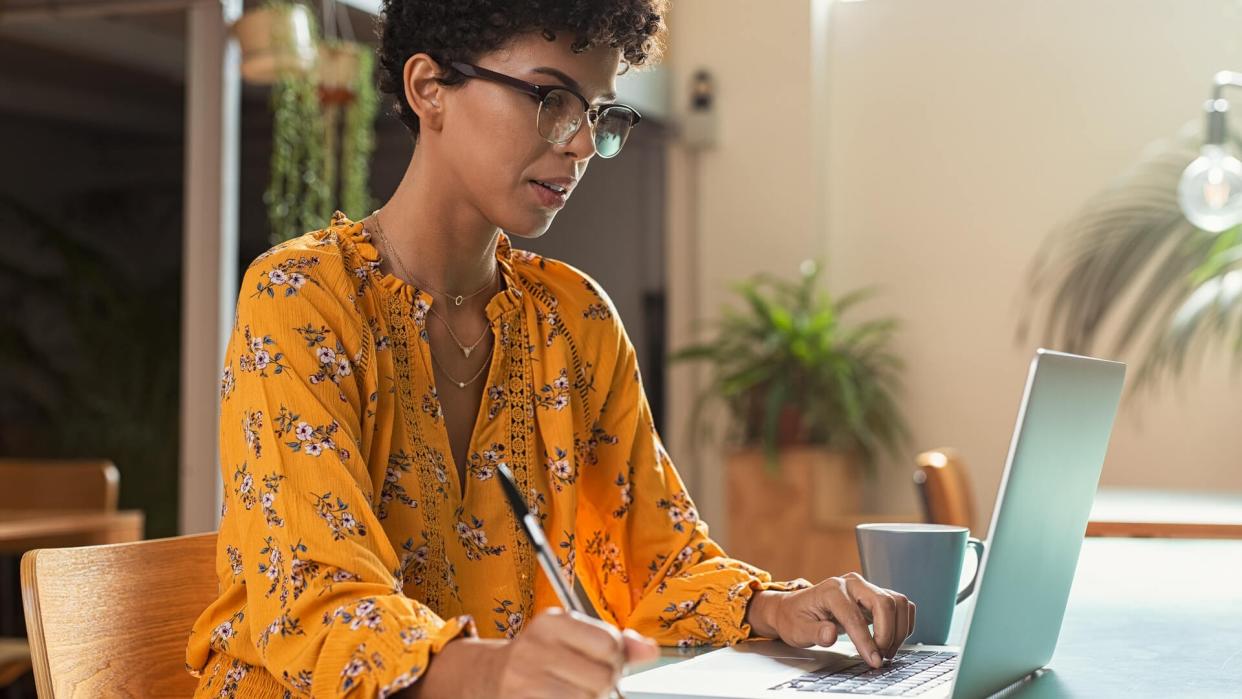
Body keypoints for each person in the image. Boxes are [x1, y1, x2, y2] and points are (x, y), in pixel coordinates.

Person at [186, 1, 915, 696]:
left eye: (597, 113)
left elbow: (658, 557)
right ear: (428, 87)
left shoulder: (576, 318)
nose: (578, 143)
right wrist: (496, 675)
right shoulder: (302, 298)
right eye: (551, 98)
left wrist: (777, 607)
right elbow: (316, 592)